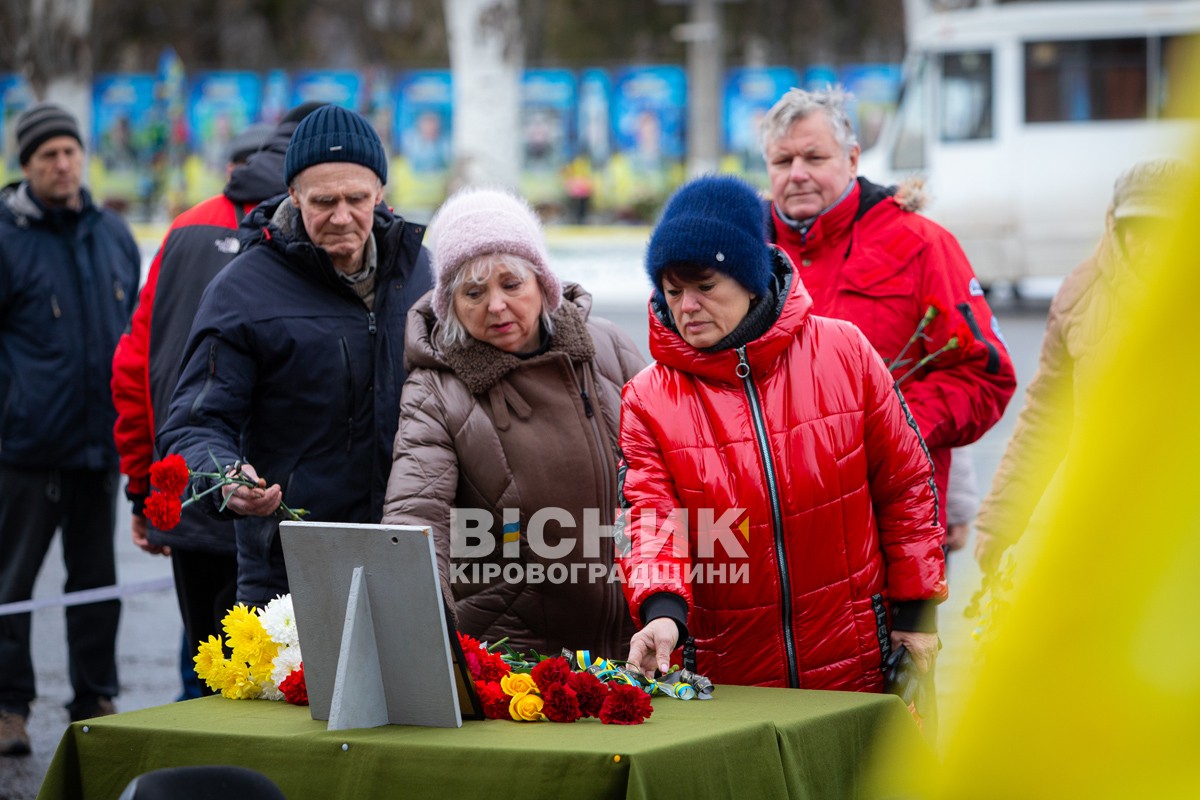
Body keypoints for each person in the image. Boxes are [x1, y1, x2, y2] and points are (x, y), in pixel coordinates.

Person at [619, 175, 946, 692]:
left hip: (859, 656)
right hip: (731, 673)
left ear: (750, 278)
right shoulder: (647, 397)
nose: (686, 306)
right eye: (673, 290)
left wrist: (917, 611)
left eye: (705, 287)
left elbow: (906, 486)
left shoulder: (846, 352)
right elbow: (648, 518)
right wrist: (662, 612)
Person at [157, 105, 434, 607]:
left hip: (413, 556)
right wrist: (225, 476)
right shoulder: (242, 290)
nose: (342, 216)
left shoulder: (423, 274)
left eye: (357, 198)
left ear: (381, 194)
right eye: (323, 201)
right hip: (290, 569)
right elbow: (194, 424)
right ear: (292, 195)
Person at [110, 103, 323, 698]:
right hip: (288, 506)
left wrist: (146, 488)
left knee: (206, 673)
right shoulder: (331, 229)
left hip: (197, 493)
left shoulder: (186, 228)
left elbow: (133, 370)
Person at [381, 187, 646, 658]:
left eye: (511, 284)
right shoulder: (437, 389)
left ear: (543, 284)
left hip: (637, 644)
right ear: (451, 305)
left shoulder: (607, 347)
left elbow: (666, 476)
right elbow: (418, 515)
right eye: (473, 292)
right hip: (516, 660)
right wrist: (423, 638)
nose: (496, 306)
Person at [760, 88, 1016, 541]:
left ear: (853, 159)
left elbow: (984, 374)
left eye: (814, 158)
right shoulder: (739, 254)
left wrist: (895, 426)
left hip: (892, 524)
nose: (797, 174)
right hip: (773, 532)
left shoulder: (920, 244)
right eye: (783, 162)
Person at [0, 103, 140, 755]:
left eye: (70, 152)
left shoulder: (112, 233)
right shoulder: (5, 234)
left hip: (99, 443)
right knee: (11, 584)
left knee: (97, 580)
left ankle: (95, 697)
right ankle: (8, 707)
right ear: (25, 166)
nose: (62, 164)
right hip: (25, 448)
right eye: (47, 156)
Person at [973, 157, 1189, 572]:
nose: (1148, 245)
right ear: (1114, 227)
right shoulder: (1080, 295)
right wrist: (1002, 518)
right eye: (1135, 230)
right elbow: (1046, 416)